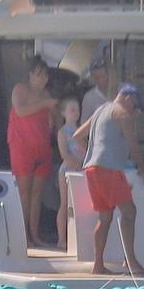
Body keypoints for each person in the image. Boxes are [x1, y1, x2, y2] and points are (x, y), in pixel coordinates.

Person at [73, 84, 144, 275]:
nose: (135, 111)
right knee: (129, 211)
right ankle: (131, 263)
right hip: (108, 170)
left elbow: (77, 136)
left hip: (91, 168)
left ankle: (98, 265)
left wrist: (94, 153)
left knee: (105, 217)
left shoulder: (101, 110)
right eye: (136, 106)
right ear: (128, 98)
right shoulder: (122, 113)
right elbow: (132, 144)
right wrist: (142, 166)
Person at [7, 56, 59, 249]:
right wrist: (45, 105)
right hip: (22, 146)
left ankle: (35, 235)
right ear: (30, 75)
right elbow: (20, 111)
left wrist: (55, 113)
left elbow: (56, 119)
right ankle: (22, 236)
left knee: (37, 193)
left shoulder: (46, 94)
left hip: (41, 147)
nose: (43, 79)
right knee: (23, 192)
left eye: (45, 75)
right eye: (39, 75)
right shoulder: (20, 89)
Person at [52, 94, 85, 248]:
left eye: (77, 110)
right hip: (66, 170)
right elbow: (64, 154)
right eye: (72, 110)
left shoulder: (81, 130)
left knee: (80, 206)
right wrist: (77, 163)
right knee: (64, 204)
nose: (76, 113)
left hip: (81, 171)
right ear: (63, 113)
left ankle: (77, 238)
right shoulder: (62, 132)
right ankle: (61, 239)